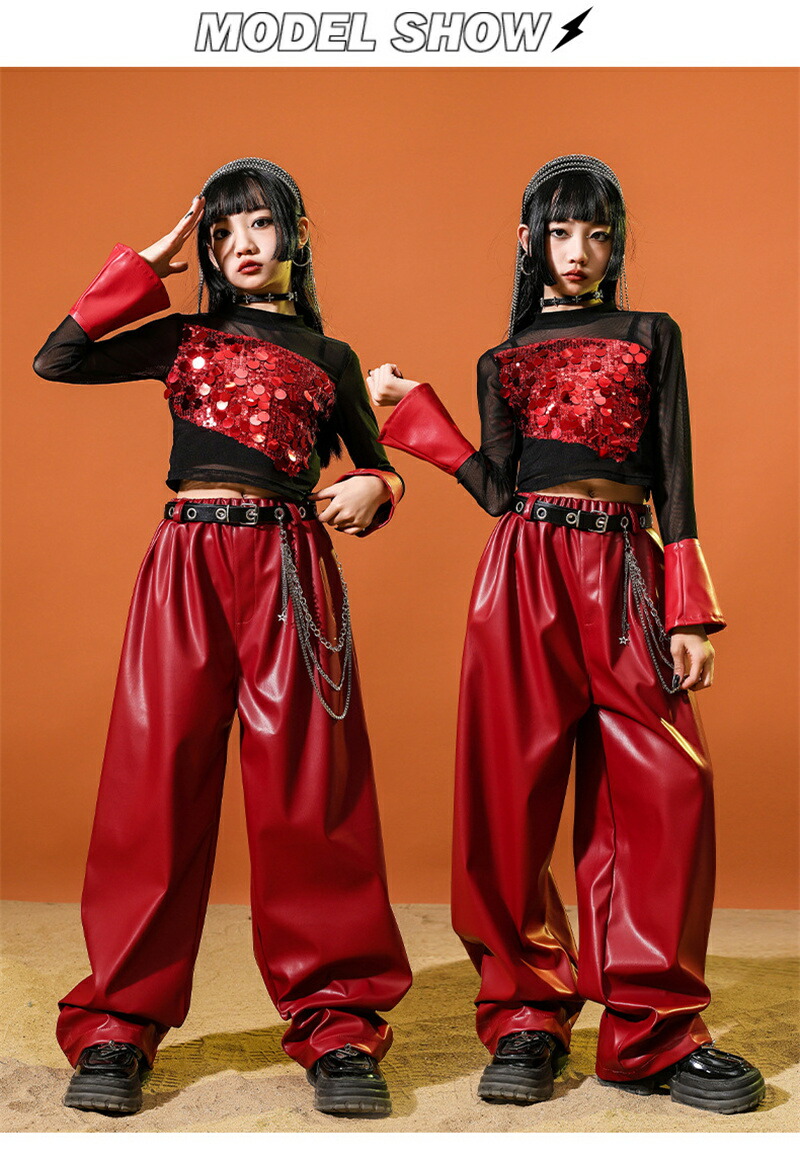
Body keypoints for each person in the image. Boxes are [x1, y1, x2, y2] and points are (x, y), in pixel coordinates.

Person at [368, 154, 764, 1115]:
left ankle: (651, 1029)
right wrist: (416, 414)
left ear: (616, 244)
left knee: (663, 788)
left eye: (596, 234)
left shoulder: (650, 334)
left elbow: (676, 473)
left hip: (626, 564)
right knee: (507, 796)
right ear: (529, 241)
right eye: (559, 232)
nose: (578, 252)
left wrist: (689, 609)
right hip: (524, 568)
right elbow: (497, 490)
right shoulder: (503, 359)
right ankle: (524, 1017)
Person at [33, 157, 412, 1119]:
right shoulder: (184, 336)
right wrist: (146, 266)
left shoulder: (329, 357)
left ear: (297, 234)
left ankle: (338, 1025)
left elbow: (376, 464)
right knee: (152, 785)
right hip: (187, 561)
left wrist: (383, 484)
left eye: (262, 223)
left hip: (290, 566)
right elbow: (58, 357)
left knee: (312, 795)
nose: (243, 244)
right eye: (223, 230)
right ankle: (118, 1023)